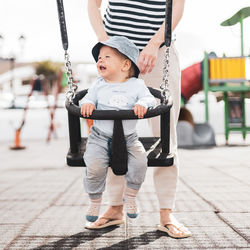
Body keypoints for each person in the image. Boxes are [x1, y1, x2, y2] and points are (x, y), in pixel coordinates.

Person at [87, 0, 192, 238]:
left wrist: (154, 44)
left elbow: (177, 5)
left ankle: (166, 214)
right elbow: (93, 5)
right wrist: (108, 46)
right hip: (116, 54)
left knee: (166, 135)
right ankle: (115, 208)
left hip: (159, 51)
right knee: (113, 132)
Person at [80, 36, 157, 229]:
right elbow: (86, 99)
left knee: (140, 161)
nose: (100, 61)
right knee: (94, 165)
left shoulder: (137, 85)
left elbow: (150, 100)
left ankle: (130, 196)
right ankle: (95, 201)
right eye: (99, 58)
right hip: (99, 137)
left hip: (129, 138)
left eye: (106, 57)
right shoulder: (98, 84)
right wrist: (88, 103)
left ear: (125, 65)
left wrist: (141, 104)